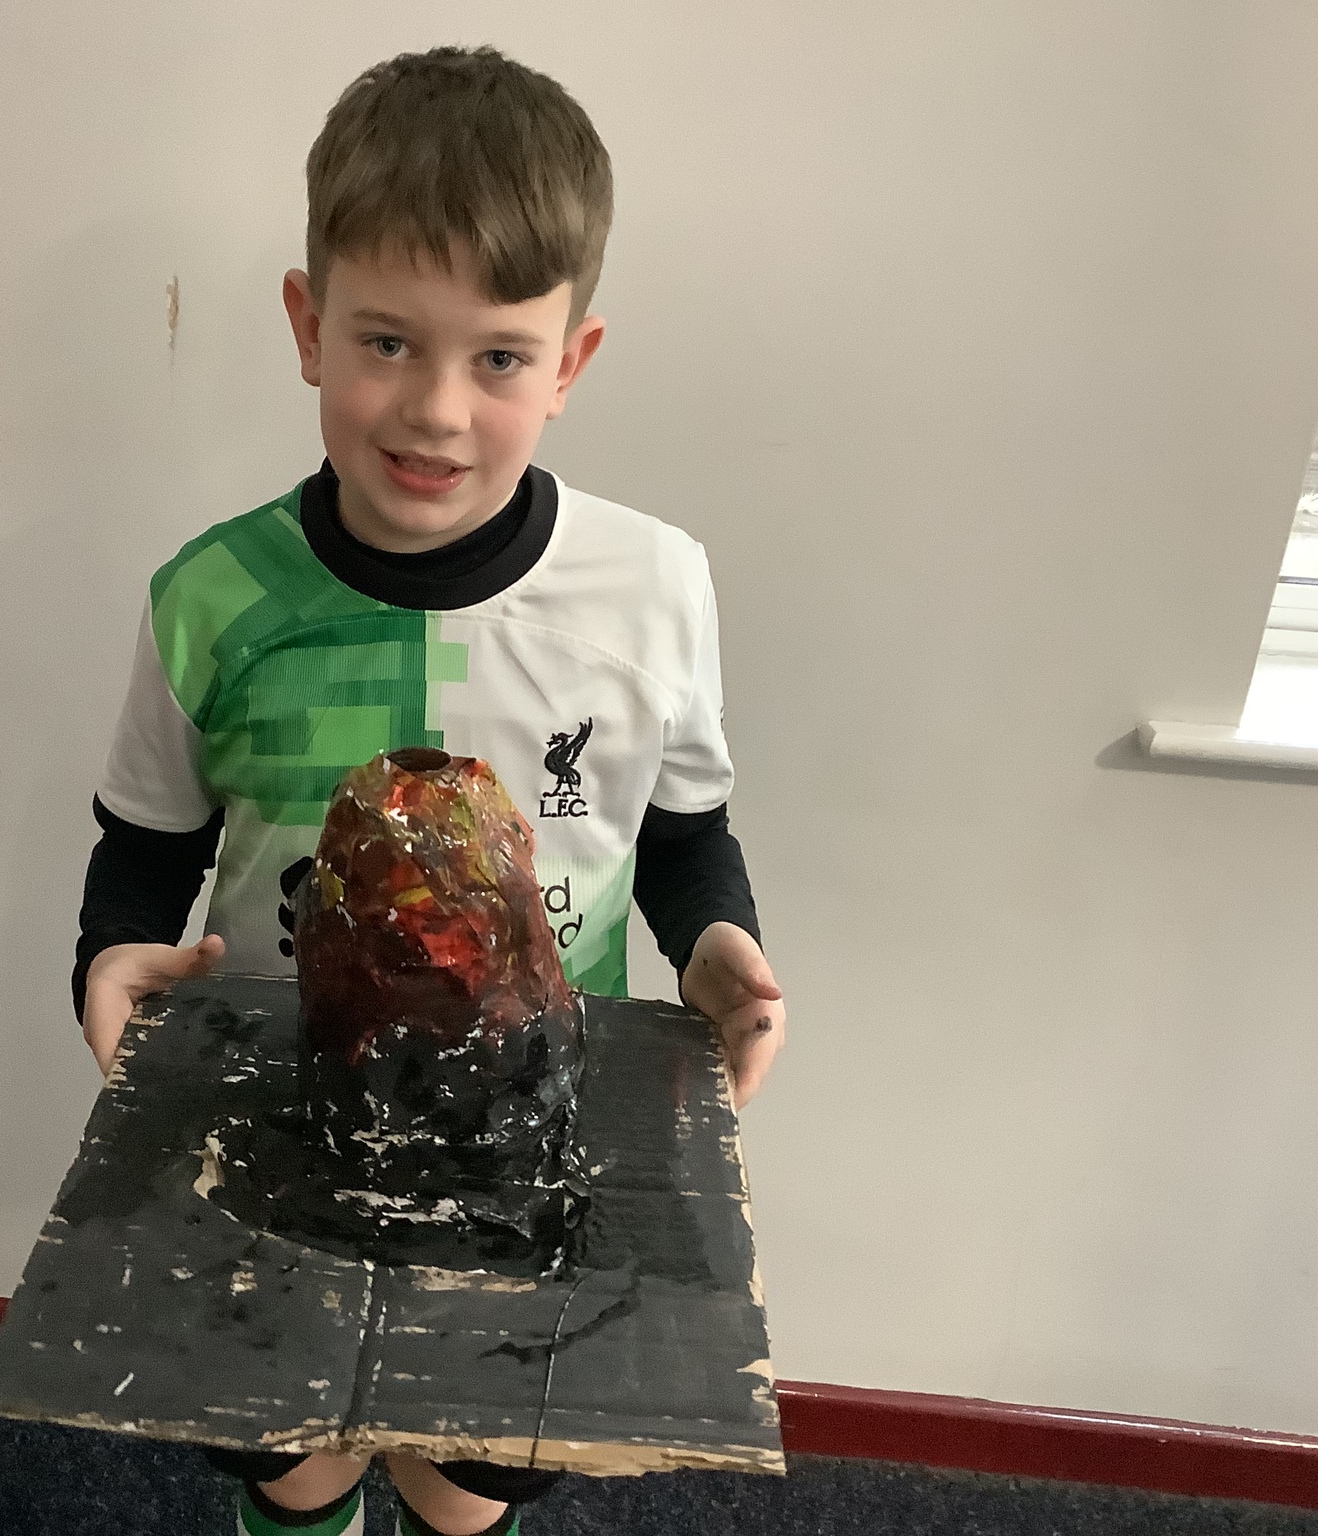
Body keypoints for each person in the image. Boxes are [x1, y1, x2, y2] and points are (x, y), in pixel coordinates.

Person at [72, 45, 785, 1536]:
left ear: (572, 362)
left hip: (536, 1133)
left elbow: (683, 834)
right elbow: (144, 847)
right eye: (387, 341)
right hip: (282, 1124)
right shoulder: (212, 599)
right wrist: (109, 963)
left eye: (500, 358)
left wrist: (718, 946)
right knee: (297, 1451)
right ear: (307, 324)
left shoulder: (653, 589)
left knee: (468, 1473)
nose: (437, 410)